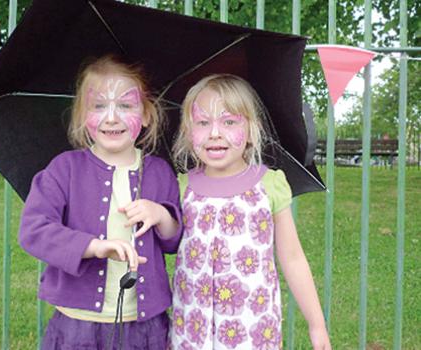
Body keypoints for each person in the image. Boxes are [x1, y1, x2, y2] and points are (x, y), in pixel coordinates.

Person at [19, 55, 182, 349]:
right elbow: (34, 230)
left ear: (146, 114)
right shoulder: (64, 168)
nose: (111, 117)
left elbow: (173, 241)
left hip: (144, 326)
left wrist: (161, 215)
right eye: (98, 106)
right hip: (77, 324)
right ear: (82, 115)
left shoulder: (160, 172)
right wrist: (93, 247)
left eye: (125, 105)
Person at [169, 74, 331, 349]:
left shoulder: (269, 184)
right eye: (203, 122)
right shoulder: (182, 185)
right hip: (191, 331)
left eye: (229, 121)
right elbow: (168, 238)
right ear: (187, 131)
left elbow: (292, 258)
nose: (215, 133)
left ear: (252, 130)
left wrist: (316, 325)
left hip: (253, 330)